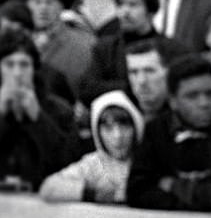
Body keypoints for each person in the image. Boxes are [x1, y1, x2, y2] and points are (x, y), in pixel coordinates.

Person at [126, 54, 211, 212]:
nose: (204, 103)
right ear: (173, 101)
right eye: (192, 96)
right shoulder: (156, 130)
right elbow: (137, 192)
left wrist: (173, 186)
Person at [0, 28, 75, 192]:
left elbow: (67, 163)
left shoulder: (60, 110)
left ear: (34, 69)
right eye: (9, 64)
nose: (17, 73)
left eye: (24, 65)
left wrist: (39, 119)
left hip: (42, 201)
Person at [39, 89, 144, 204]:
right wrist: (93, 194)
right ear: (97, 132)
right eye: (108, 129)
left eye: (124, 127)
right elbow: (49, 188)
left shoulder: (149, 159)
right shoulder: (93, 164)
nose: (117, 136)